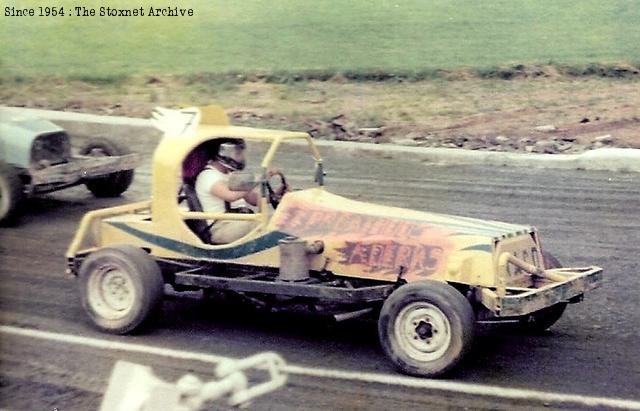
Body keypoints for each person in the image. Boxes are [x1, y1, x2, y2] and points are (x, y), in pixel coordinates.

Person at [195, 138, 286, 244]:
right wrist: (260, 179)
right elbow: (230, 196)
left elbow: (252, 199)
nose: (241, 157)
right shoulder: (208, 176)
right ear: (223, 152)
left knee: (281, 217)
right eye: (237, 153)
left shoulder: (230, 175)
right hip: (221, 227)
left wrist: (276, 195)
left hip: (240, 221)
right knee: (269, 222)